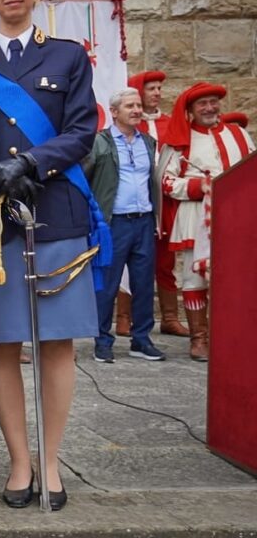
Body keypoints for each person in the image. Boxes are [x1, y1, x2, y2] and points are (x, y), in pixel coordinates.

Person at [0, 0, 103, 512]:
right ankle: (18, 460)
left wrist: (30, 162)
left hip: (56, 211)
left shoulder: (69, 56)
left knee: (55, 344)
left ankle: (50, 463)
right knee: (1, 344)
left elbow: (82, 130)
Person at [160, 83, 254, 362]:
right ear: (190, 110)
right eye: (202, 104)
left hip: (237, 218)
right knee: (194, 276)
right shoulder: (181, 138)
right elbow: (166, 181)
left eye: (213, 102)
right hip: (196, 218)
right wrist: (200, 185)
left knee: (236, 278)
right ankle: (199, 338)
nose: (210, 108)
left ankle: (233, 335)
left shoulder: (238, 134)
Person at [83, 88, 165, 363]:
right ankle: (102, 341)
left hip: (143, 221)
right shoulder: (99, 143)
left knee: (143, 283)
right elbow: (85, 179)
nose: (136, 110)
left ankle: (141, 340)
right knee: (107, 284)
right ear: (115, 112)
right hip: (113, 223)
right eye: (130, 106)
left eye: (138, 105)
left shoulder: (149, 143)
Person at [127, 70, 187, 338]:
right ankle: (123, 316)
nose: (157, 93)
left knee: (166, 259)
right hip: (135, 199)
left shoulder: (170, 123)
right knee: (128, 258)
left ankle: (170, 317)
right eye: (151, 88)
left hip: (165, 200)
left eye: (159, 88)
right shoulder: (129, 125)